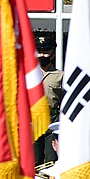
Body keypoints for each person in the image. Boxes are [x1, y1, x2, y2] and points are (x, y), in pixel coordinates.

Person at [34, 35, 62, 166]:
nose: (42, 55)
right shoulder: (26, 74)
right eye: (39, 51)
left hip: (52, 119)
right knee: (34, 159)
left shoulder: (60, 76)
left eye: (46, 52)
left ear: (52, 54)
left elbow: (64, 101)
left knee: (51, 159)